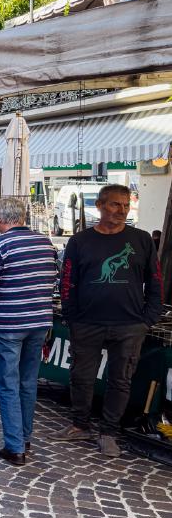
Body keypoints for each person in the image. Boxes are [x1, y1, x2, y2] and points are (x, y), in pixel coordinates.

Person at [60, 183, 162, 456]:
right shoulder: (80, 241)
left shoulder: (140, 240)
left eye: (126, 205)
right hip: (87, 323)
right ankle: (80, 424)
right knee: (81, 376)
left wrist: (148, 319)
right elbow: (67, 282)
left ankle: (109, 432)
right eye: (116, 204)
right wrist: (72, 317)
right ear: (100, 206)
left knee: (121, 380)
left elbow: (155, 282)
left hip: (129, 325)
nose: (122, 210)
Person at [0, 197, 58, 466]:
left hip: (9, 323)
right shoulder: (45, 243)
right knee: (28, 382)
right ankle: (25, 438)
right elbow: (52, 278)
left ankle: (15, 447)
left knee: (8, 384)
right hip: (39, 321)